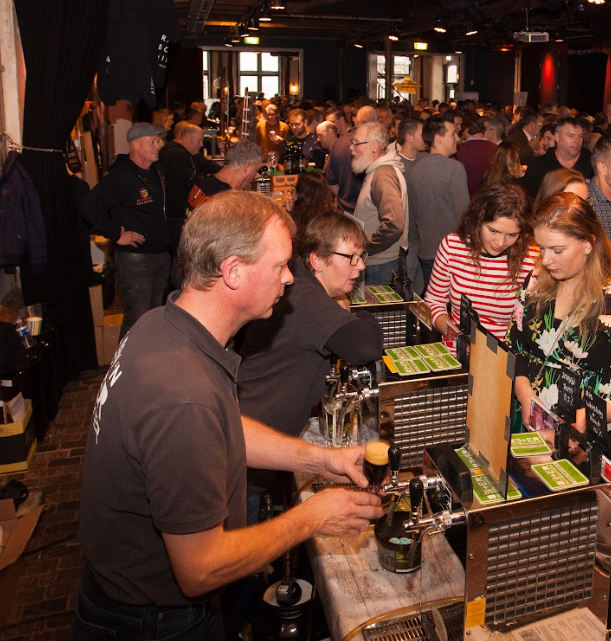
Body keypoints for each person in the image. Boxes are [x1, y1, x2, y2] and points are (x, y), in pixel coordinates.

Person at [77, 190, 384, 639]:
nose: (290, 280)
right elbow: (199, 569)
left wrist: (320, 460)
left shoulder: (163, 325)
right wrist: (311, 517)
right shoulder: (183, 396)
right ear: (233, 271)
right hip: (151, 623)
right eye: (280, 266)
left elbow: (223, 428)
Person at [238, 213, 383, 520]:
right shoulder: (306, 298)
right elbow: (364, 346)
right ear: (317, 260)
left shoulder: (303, 288)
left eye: (362, 257)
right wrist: (360, 315)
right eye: (351, 258)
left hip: (255, 449)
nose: (360, 266)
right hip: (245, 463)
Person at [506, 192, 611, 468]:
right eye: (541, 248)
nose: (546, 260)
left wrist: (592, 414)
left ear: (588, 244)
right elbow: (514, 347)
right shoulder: (535, 283)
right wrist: (525, 395)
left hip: (597, 443)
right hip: (535, 431)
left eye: (557, 250)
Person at [81, 122, 171, 337]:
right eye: (152, 141)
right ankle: (124, 368)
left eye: (158, 141)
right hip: (136, 259)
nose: (158, 145)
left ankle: (147, 364)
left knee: (155, 316)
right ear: (135, 144)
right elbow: (90, 206)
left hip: (160, 255)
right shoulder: (121, 175)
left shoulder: (156, 171)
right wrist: (116, 234)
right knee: (137, 318)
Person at [424, 182, 539, 341]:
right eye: (493, 231)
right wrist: (455, 336)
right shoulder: (453, 246)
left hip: (502, 355)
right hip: (458, 350)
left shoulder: (531, 258)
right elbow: (434, 302)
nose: (500, 242)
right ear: (478, 219)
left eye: (511, 235)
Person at [408, 114, 470, 288]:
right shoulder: (454, 168)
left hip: (426, 250)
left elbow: (413, 215)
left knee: (433, 304)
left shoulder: (416, 167)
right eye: (453, 134)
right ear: (438, 138)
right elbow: (464, 215)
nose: (457, 139)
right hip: (452, 254)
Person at [350, 120, 409, 285]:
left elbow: (394, 224)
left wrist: (366, 248)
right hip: (379, 263)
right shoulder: (377, 171)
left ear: (374, 146)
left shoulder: (383, 175)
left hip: (380, 265)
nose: (351, 148)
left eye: (356, 143)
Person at [159, 121, 221, 252]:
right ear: (188, 138)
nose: (201, 144)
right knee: (182, 254)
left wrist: (227, 171)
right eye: (199, 140)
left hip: (181, 212)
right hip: (177, 214)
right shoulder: (176, 154)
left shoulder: (188, 153)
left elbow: (207, 165)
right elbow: (189, 181)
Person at [521, 117, 594, 199]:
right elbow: (528, 200)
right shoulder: (539, 166)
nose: (577, 141)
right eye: (571, 136)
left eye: (580, 136)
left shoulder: (591, 163)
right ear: (557, 137)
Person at [327, 105, 378, 214]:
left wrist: (344, 199)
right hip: (367, 213)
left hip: (343, 211)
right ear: (375, 123)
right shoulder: (373, 146)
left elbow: (331, 182)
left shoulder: (338, 143)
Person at [287, 172, 338, 237]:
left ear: (302, 194)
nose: (292, 191)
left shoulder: (297, 222)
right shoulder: (332, 217)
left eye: (295, 187)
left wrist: (289, 215)